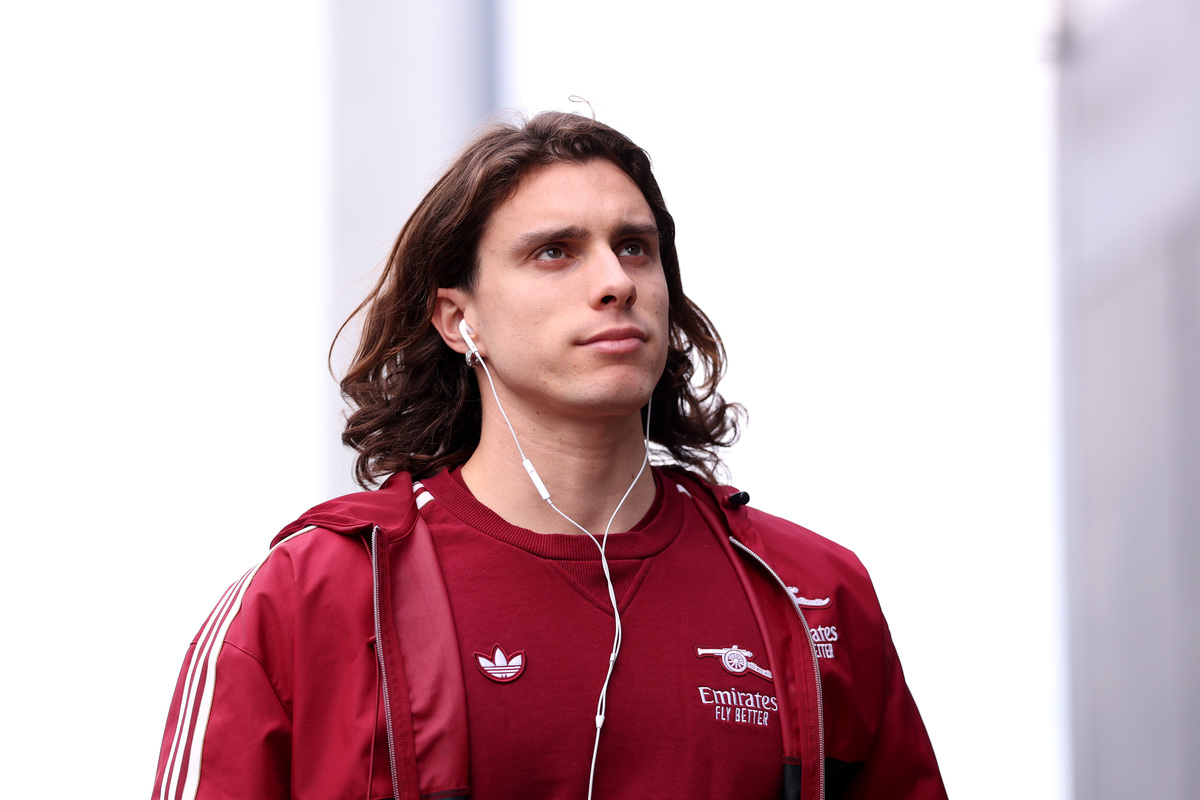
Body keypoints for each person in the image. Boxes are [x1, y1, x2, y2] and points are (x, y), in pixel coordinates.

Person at [152, 111, 947, 800]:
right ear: (459, 320)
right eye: (555, 252)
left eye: (634, 248)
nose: (615, 282)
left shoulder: (815, 592)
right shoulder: (311, 596)